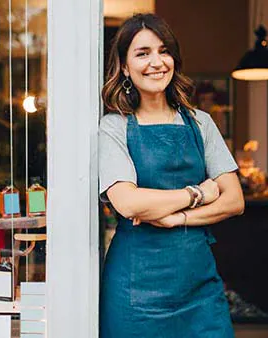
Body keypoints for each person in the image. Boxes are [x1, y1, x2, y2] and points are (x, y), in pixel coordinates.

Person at [99, 13, 245, 337]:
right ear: (124, 66)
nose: (157, 62)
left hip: (199, 289)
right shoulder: (114, 126)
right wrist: (199, 193)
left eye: (164, 51)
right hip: (135, 291)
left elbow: (234, 200)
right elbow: (128, 202)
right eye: (142, 53)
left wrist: (178, 219)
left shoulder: (201, 123)